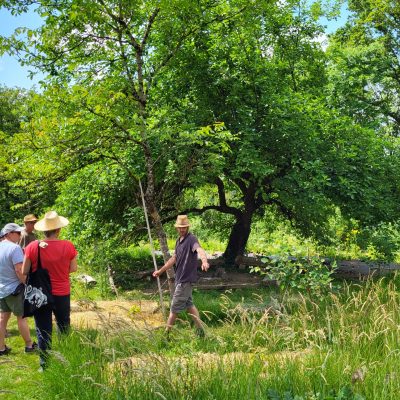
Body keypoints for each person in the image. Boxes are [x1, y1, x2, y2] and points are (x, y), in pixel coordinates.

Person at [22, 211, 78, 369]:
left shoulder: (33, 247)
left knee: (42, 329)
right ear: (59, 229)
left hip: (41, 294)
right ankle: (67, 357)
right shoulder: (68, 246)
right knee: (63, 325)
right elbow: (73, 268)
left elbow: (25, 271)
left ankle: (44, 364)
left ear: (43, 230)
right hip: (62, 293)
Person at [153, 215, 209, 336]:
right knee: (189, 306)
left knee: (174, 308)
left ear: (187, 227)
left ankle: (166, 334)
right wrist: (160, 271)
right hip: (180, 279)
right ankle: (201, 331)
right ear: (177, 228)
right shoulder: (178, 242)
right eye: (180, 227)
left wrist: (204, 261)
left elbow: (199, 250)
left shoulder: (191, 239)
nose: (182, 229)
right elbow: (173, 259)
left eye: (184, 227)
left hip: (185, 281)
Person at [0, 223, 37, 356]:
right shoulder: (14, 248)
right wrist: (27, 284)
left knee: (3, 318)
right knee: (21, 317)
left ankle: (1, 348)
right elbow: (18, 269)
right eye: (18, 233)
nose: (20, 235)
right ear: (9, 233)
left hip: (2, 289)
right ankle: (29, 345)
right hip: (14, 288)